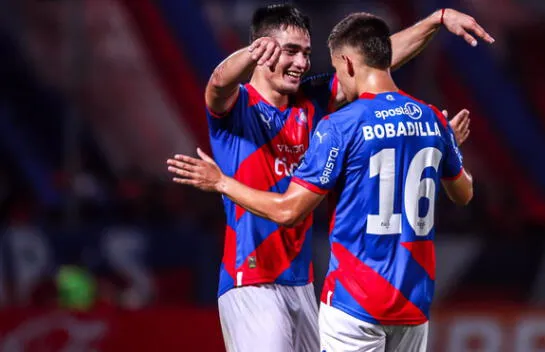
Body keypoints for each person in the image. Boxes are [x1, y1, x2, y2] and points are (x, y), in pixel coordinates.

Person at [169, 11, 475, 351]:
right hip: (252, 279)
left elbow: (370, 60)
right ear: (262, 51)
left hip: (302, 282)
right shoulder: (238, 107)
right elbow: (217, 82)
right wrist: (250, 54)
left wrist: (434, 21)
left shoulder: (312, 101)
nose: (301, 62)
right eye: (290, 51)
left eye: (305, 52)